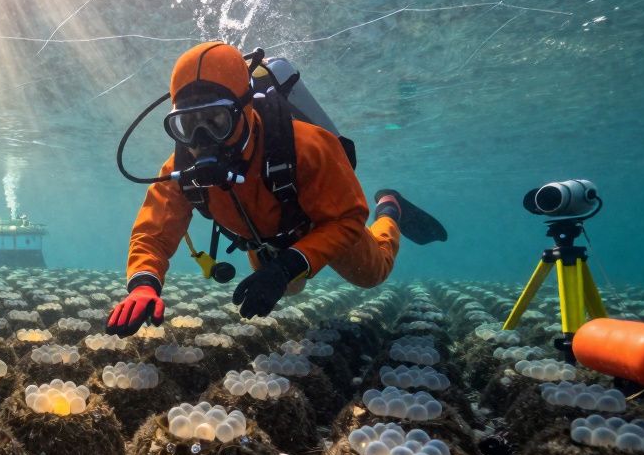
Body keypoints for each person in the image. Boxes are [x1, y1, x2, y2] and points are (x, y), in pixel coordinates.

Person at [107, 41, 446, 336]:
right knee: (291, 289)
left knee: (374, 273)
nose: (202, 142)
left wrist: (286, 266)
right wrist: (143, 284)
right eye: (187, 126)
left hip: (321, 223)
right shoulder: (181, 171)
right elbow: (153, 234)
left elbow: (348, 216)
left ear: (245, 109)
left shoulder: (308, 145)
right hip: (261, 237)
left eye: (216, 122)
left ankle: (390, 207)